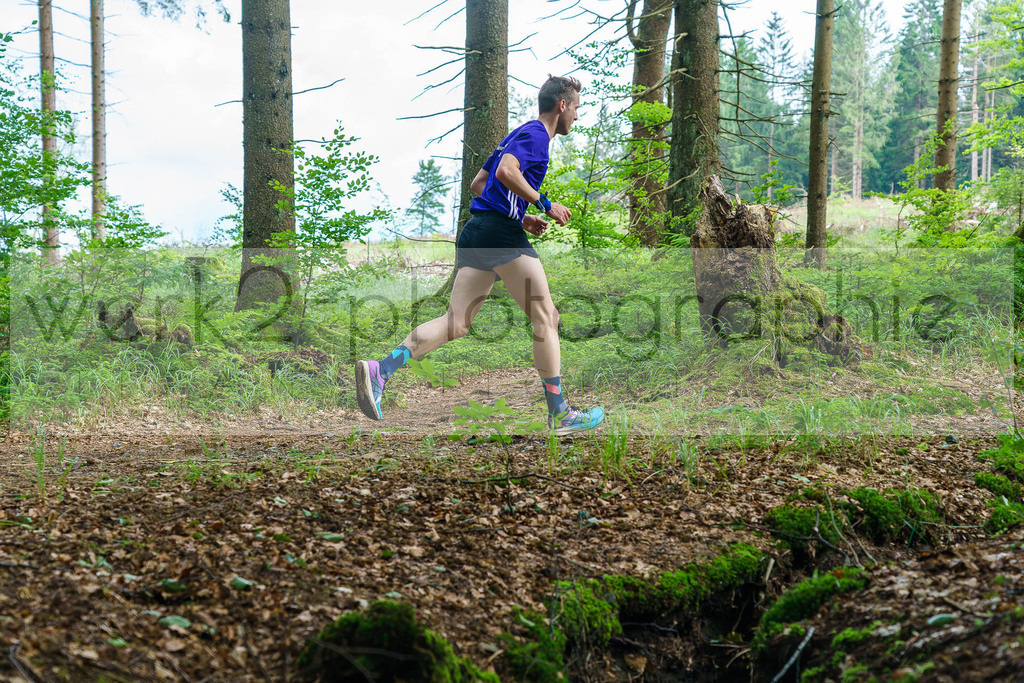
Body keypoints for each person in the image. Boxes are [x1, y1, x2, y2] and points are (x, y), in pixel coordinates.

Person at [355, 75, 604, 435]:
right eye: (577, 108)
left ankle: (381, 369)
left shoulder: (515, 135)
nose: (577, 117)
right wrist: (544, 204)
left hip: (477, 232)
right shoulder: (536, 135)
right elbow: (505, 173)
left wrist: (523, 215)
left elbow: (479, 184)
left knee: (456, 322)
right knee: (547, 317)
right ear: (562, 105)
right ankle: (561, 413)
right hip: (499, 236)